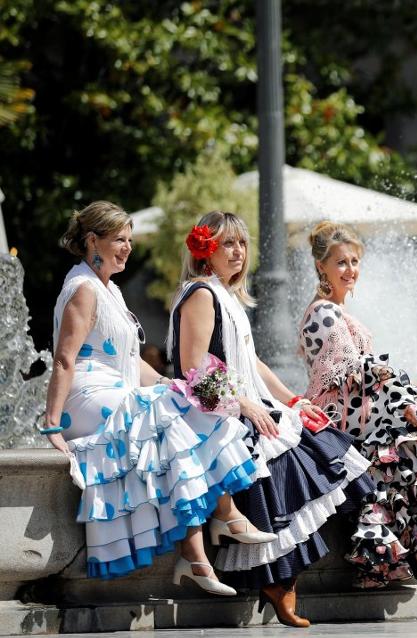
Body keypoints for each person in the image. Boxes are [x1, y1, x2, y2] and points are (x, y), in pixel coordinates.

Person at [45, 201, 269, 593]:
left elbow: (133, 364)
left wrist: (170, 384)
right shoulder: (83, 288)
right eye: (119, 239)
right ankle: (215, 528)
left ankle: (199, 550)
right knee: (171, 418)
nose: (128, 247)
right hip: (86, 393)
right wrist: (51, 425)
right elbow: (64, 360)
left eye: (130, 239)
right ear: (93, 241)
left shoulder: (108, 289)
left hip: (118, 388)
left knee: (186, 405)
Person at [168, 211, 375, 626]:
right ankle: (281, 583)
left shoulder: (225, 295)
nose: (238, 252)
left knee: (327, 450)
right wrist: (246, 405)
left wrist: (292, 399)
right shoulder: (203, 295)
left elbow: (253, 362)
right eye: (228, 243)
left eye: (242, 244)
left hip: (242, 402)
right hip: (216, 410)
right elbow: (193, 370)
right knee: (293, 461)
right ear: (206, 250)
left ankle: (294, 578)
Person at [297, 221, 417, 589]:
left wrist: (405, 398)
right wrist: (404, 400)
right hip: (340, 417)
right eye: (341, 262)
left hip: (360, 410)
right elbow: (354, 372)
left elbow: (366, 372)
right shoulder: (324, 313)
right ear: (321, 266)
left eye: (355, 261)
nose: (351, 270)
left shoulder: (338, 311)